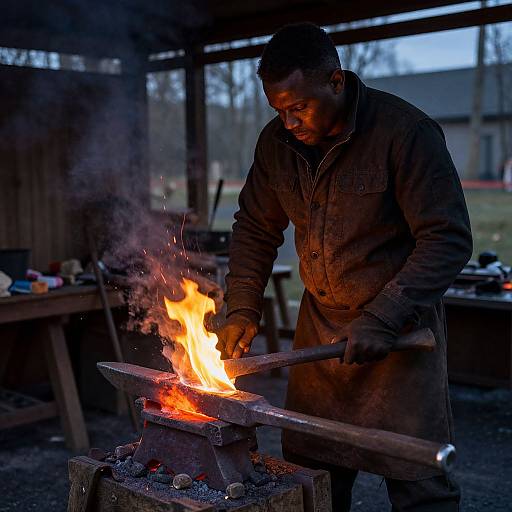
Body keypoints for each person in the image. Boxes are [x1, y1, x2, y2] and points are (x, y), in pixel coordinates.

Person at [217, 23, 472, 511]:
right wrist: (242, 309)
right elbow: (254, 227)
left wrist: (384, 315)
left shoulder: (405, 133)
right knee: (314, 478)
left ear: (336, 81)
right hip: (320, 333)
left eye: (298, 107)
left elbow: (448, 237)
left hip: (399, 335)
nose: (289, 122)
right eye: (279, 111)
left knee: (417, 479)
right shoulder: (276, 145)